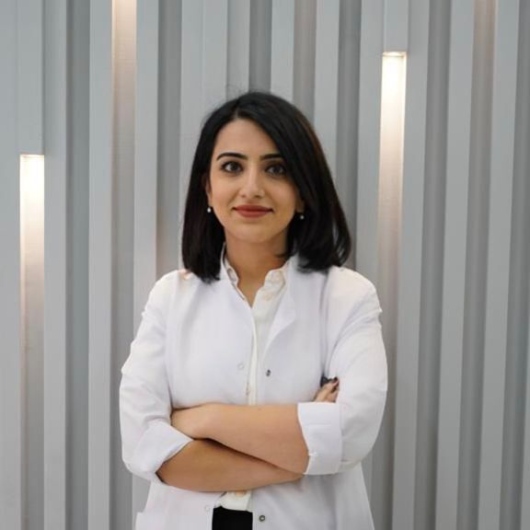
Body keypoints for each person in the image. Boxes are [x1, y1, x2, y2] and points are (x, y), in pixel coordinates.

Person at [120, 91, 387, 530]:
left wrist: (203, 419)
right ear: (208, 188)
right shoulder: (169, 297)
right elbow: (145, 446)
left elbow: (350, 433)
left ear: (303, 193)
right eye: (232, 167)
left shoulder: (348, 298)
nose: (252, 188)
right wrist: (297, 459)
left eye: (276, 169)